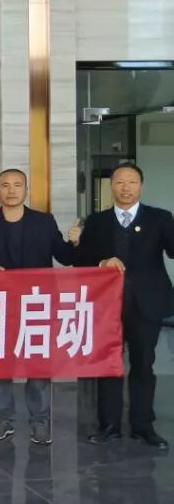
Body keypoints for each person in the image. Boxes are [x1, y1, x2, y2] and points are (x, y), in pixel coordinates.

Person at [0, 169, 77, 445]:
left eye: (17, 185)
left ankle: (40, 422)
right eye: (5, 185)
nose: (11, 190)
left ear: (25, 189)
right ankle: (3, 419)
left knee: (38, 366)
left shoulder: (44, 221)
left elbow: (65, 257)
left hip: (37, 305)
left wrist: (75, 241)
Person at [74, 162, 174, 449]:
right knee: (109, 364)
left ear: (141, 186)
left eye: (132, 182)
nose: (125, 187)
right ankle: (109, 425)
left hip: (147, 303)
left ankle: (143, 426)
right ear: (111, 186)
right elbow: (81, 260)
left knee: (144, 364)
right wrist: (101, 262)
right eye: (119, 182)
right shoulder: (97, 221)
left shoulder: (160, 218)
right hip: (106, 304)